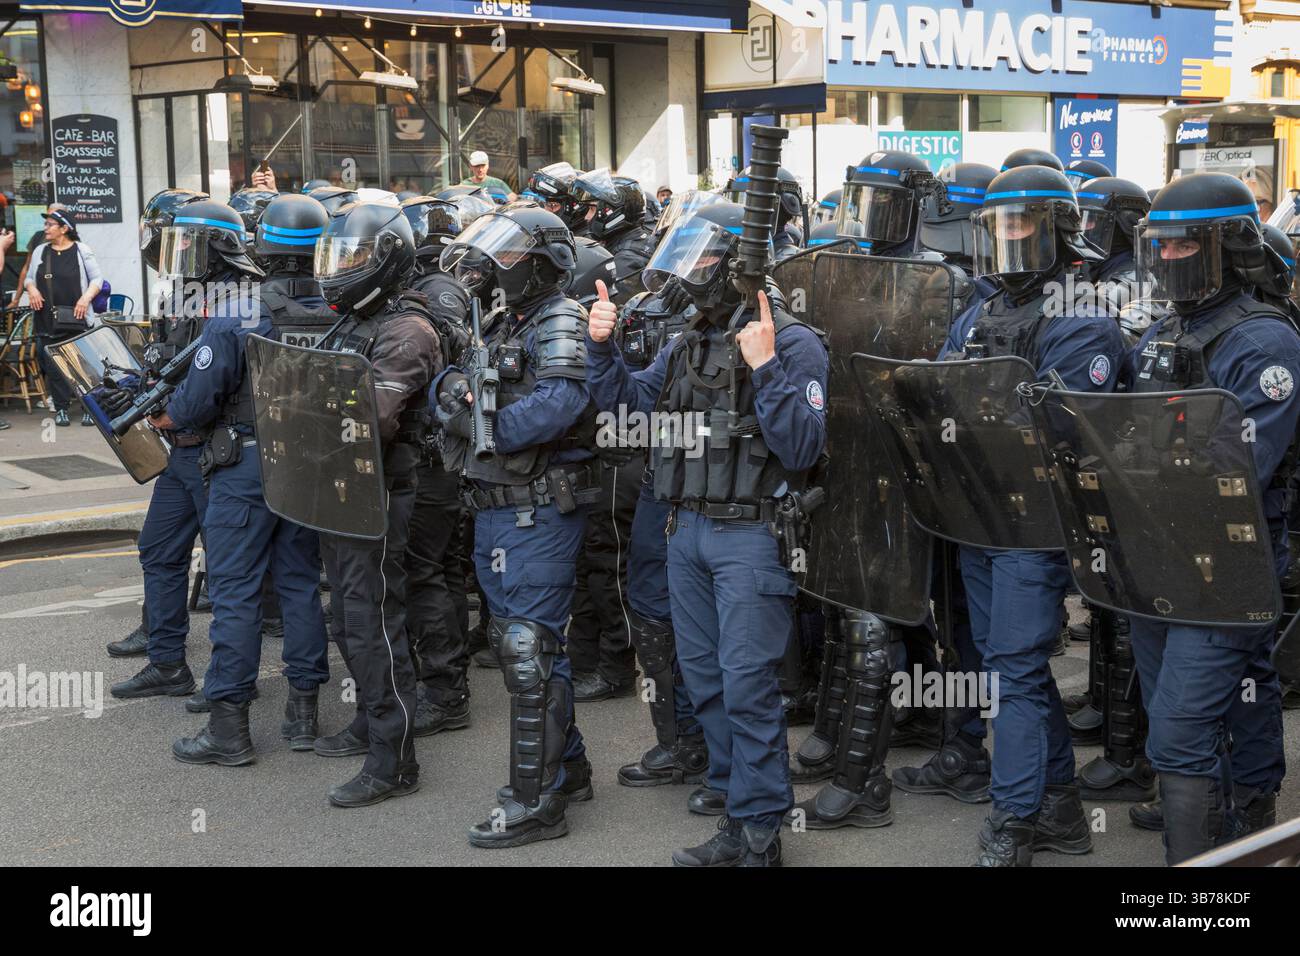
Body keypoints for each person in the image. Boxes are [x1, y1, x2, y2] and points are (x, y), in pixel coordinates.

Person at [587, 199, 829, 866]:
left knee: (749, 683)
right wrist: (600, 348)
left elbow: (804, 446)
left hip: (752, 535)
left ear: (736, 266)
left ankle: (759, 833)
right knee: (707, 680)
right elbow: (627, 411)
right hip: (686, 530)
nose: (688, 273)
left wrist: (767, 367)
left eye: (701, 258)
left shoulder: (794, 339)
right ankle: (734, 805)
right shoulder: (685, 341)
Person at [942, 163, 1125, 866]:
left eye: (1021, 223)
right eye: (999, 225)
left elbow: (1062, 426)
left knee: (1014, 668)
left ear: (1057, 228)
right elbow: (941, 385)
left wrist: (980, 411)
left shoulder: (1082, 314)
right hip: (980, 514)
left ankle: (1016, 820)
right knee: (1007, 665)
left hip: (1039, 522)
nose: (1008, 237)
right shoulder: (981, 306)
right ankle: (1062, 811)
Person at [1121, 173, 1300, 863]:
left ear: (1228, 247)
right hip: (1159, 554)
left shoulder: (1264, 343)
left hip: (1228, 563)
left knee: (1175, 733)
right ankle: (1248, 828)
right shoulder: (1169, 329)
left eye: (1184, 246)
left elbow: (1239, 471)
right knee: (1243, 697)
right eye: (1159, 247)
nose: (1168, 260)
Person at [434, 201, 599, 847]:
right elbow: (456, 377)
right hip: (498, 510)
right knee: (528, 648)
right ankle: (571, 769)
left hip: (536, 510)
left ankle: (534, 801)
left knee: (528, 652)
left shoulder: (560, 316)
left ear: (542, 263)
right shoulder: (507, 318)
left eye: (508, 256)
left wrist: (487, 432)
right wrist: (452, 398)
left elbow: (562, 400)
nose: (496, 267)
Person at [157, 197, 333, 771]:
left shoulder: (237, 311)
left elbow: (192, 404)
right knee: (302, 584)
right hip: (309, 461)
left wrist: (172, 413)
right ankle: (303, 715)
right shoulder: (337, 308)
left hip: (245, 466)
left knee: (235, 593)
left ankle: (229, 726)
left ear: (264, 245)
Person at [306, 201, 445, 807]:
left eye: (356, 258)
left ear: (388, 261)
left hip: (382, 492)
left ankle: (394, 755)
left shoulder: (408, 330)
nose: (343, 270)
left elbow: (373, 420)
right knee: (343, 617)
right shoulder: (354, 321)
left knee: (373, 624)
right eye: (339, 256)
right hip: (340, 489)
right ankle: (369, 716)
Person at [104, 195, 245, 703]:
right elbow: (166, 359)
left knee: (228, 571)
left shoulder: (239, 298)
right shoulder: (182, 293)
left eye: (184, 244)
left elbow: (216, 382)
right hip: (178, 451)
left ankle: (230, 687)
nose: (173, 253)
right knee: (159, 551)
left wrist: (174, 412)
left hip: (218, 452)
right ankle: (166, 663)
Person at [398, 193, 487, 735]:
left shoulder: (437, 293)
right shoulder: (436, 288)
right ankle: (448, 679)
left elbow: (443, 369)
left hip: (433, 457)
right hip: (439, 456)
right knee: (443, 567)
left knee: (425, 571)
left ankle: (445, 691)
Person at [26, 209, 104, 426]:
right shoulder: (41, 251)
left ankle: (90, 408)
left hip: (77, 317)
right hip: (47, 318)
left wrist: (85, 299)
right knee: (54, 366)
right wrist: (31, 289)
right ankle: (61, 408)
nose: (46, 228)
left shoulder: (81, 250)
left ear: (64, 229)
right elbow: (30, 279)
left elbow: (97, 279)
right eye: (46, 224)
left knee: (82, 364)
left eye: (50, 224)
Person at [725, 164, 805, 260]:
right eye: (738, 201)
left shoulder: (786, 259)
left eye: (753, 205)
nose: (741, 212)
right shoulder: (730, 249)